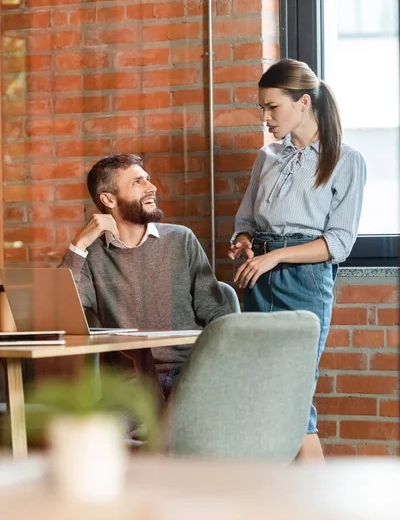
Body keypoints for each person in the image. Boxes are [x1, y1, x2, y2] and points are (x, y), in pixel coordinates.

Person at [228, 59, 366, 460]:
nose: (265, 117)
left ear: (303, 102)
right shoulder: (267, 156)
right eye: (262, 109)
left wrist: (277, 258)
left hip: (305, 283)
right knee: (260, 394)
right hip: (256, 279)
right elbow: (245, 218)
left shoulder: (346, 159)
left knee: (294, 396)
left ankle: (315, 508)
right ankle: (278, 502)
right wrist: (243, 241)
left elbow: (338, 243)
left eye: (272, 107)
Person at [60, 153, 232, 399]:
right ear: (109, 199)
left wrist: (213, 371)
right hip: (130, 382)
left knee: (186, 432)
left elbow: (219, 316)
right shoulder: (92, 255)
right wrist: (78, 246)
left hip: (191, 372)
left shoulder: (181, 239)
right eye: (137, 182)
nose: (152, 188)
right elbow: (61, 314)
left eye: (148, 179)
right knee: (106, 435)